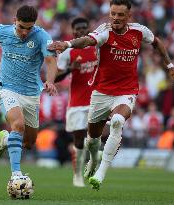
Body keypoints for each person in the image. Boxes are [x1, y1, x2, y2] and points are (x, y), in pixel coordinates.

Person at [48, 0, 174, 190]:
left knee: (118, 121)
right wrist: (67, 44)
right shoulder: (104, 32)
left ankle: (101, 172)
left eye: (120, 15)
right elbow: (87, 40)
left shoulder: (139, 31)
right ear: (109, 13)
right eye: (113, 14)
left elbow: (156, 42)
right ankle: (93, 161)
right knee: (92, 139)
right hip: (101, 92)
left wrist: (170, 66)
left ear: (129, 16)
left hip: (127, 90)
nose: (116, 18)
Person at [0, 5, 57, 179]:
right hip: (6, 88)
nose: (24, 32)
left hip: (31, 93)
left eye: (29, 28)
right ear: (14, 21)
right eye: (21, 27)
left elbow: (51, 62)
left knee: (29, 143)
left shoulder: (42, 37)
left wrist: (50, 81)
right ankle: (16, 175)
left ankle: (7, 139)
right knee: (18, 125)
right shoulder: (3, 31)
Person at [55, 17, 101, 187]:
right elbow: (55, 77)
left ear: (89, 29)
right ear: (73, 31)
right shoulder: (68, 51)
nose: (81, 31)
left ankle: (94, 160)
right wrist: (69, 69)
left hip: (97, 99)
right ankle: (77, 175)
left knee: (95, 138)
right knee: (79, 140)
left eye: (84, 28)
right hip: (77, 101)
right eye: (78, 29)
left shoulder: (98, 46)